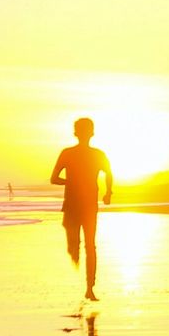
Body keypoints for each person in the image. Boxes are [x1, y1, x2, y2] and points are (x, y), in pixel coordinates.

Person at [51, 117, 113, 301]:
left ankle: (89, 288)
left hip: (87, 206)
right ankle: (75, 256)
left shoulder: (97, 154)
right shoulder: (67, 153)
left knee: (90, 246)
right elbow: (53, 178)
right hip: (74, 205)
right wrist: (107, 191)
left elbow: (109, 173)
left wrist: (109, 192)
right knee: (76, 246)